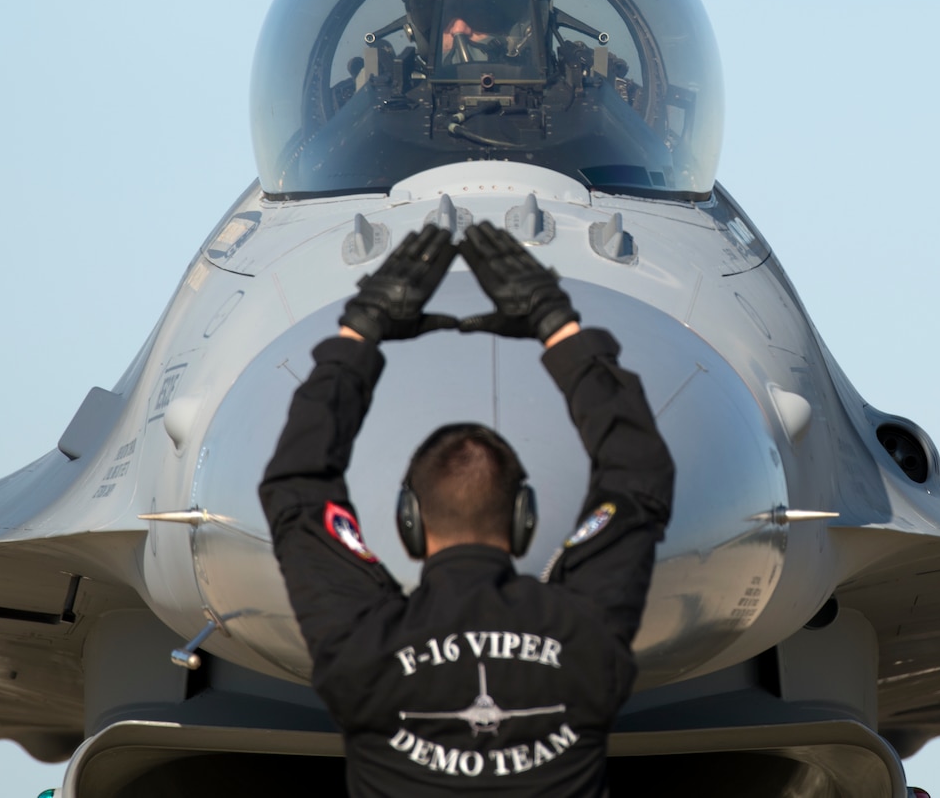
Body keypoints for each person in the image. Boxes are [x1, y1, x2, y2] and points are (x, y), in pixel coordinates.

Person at [259, 221, 675, 796]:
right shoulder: (585, 632)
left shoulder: (363, 646)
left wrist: (359, 334)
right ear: (523, 517)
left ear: (410, 521)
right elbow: (637, 477)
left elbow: (297, 490)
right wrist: (557, 325)